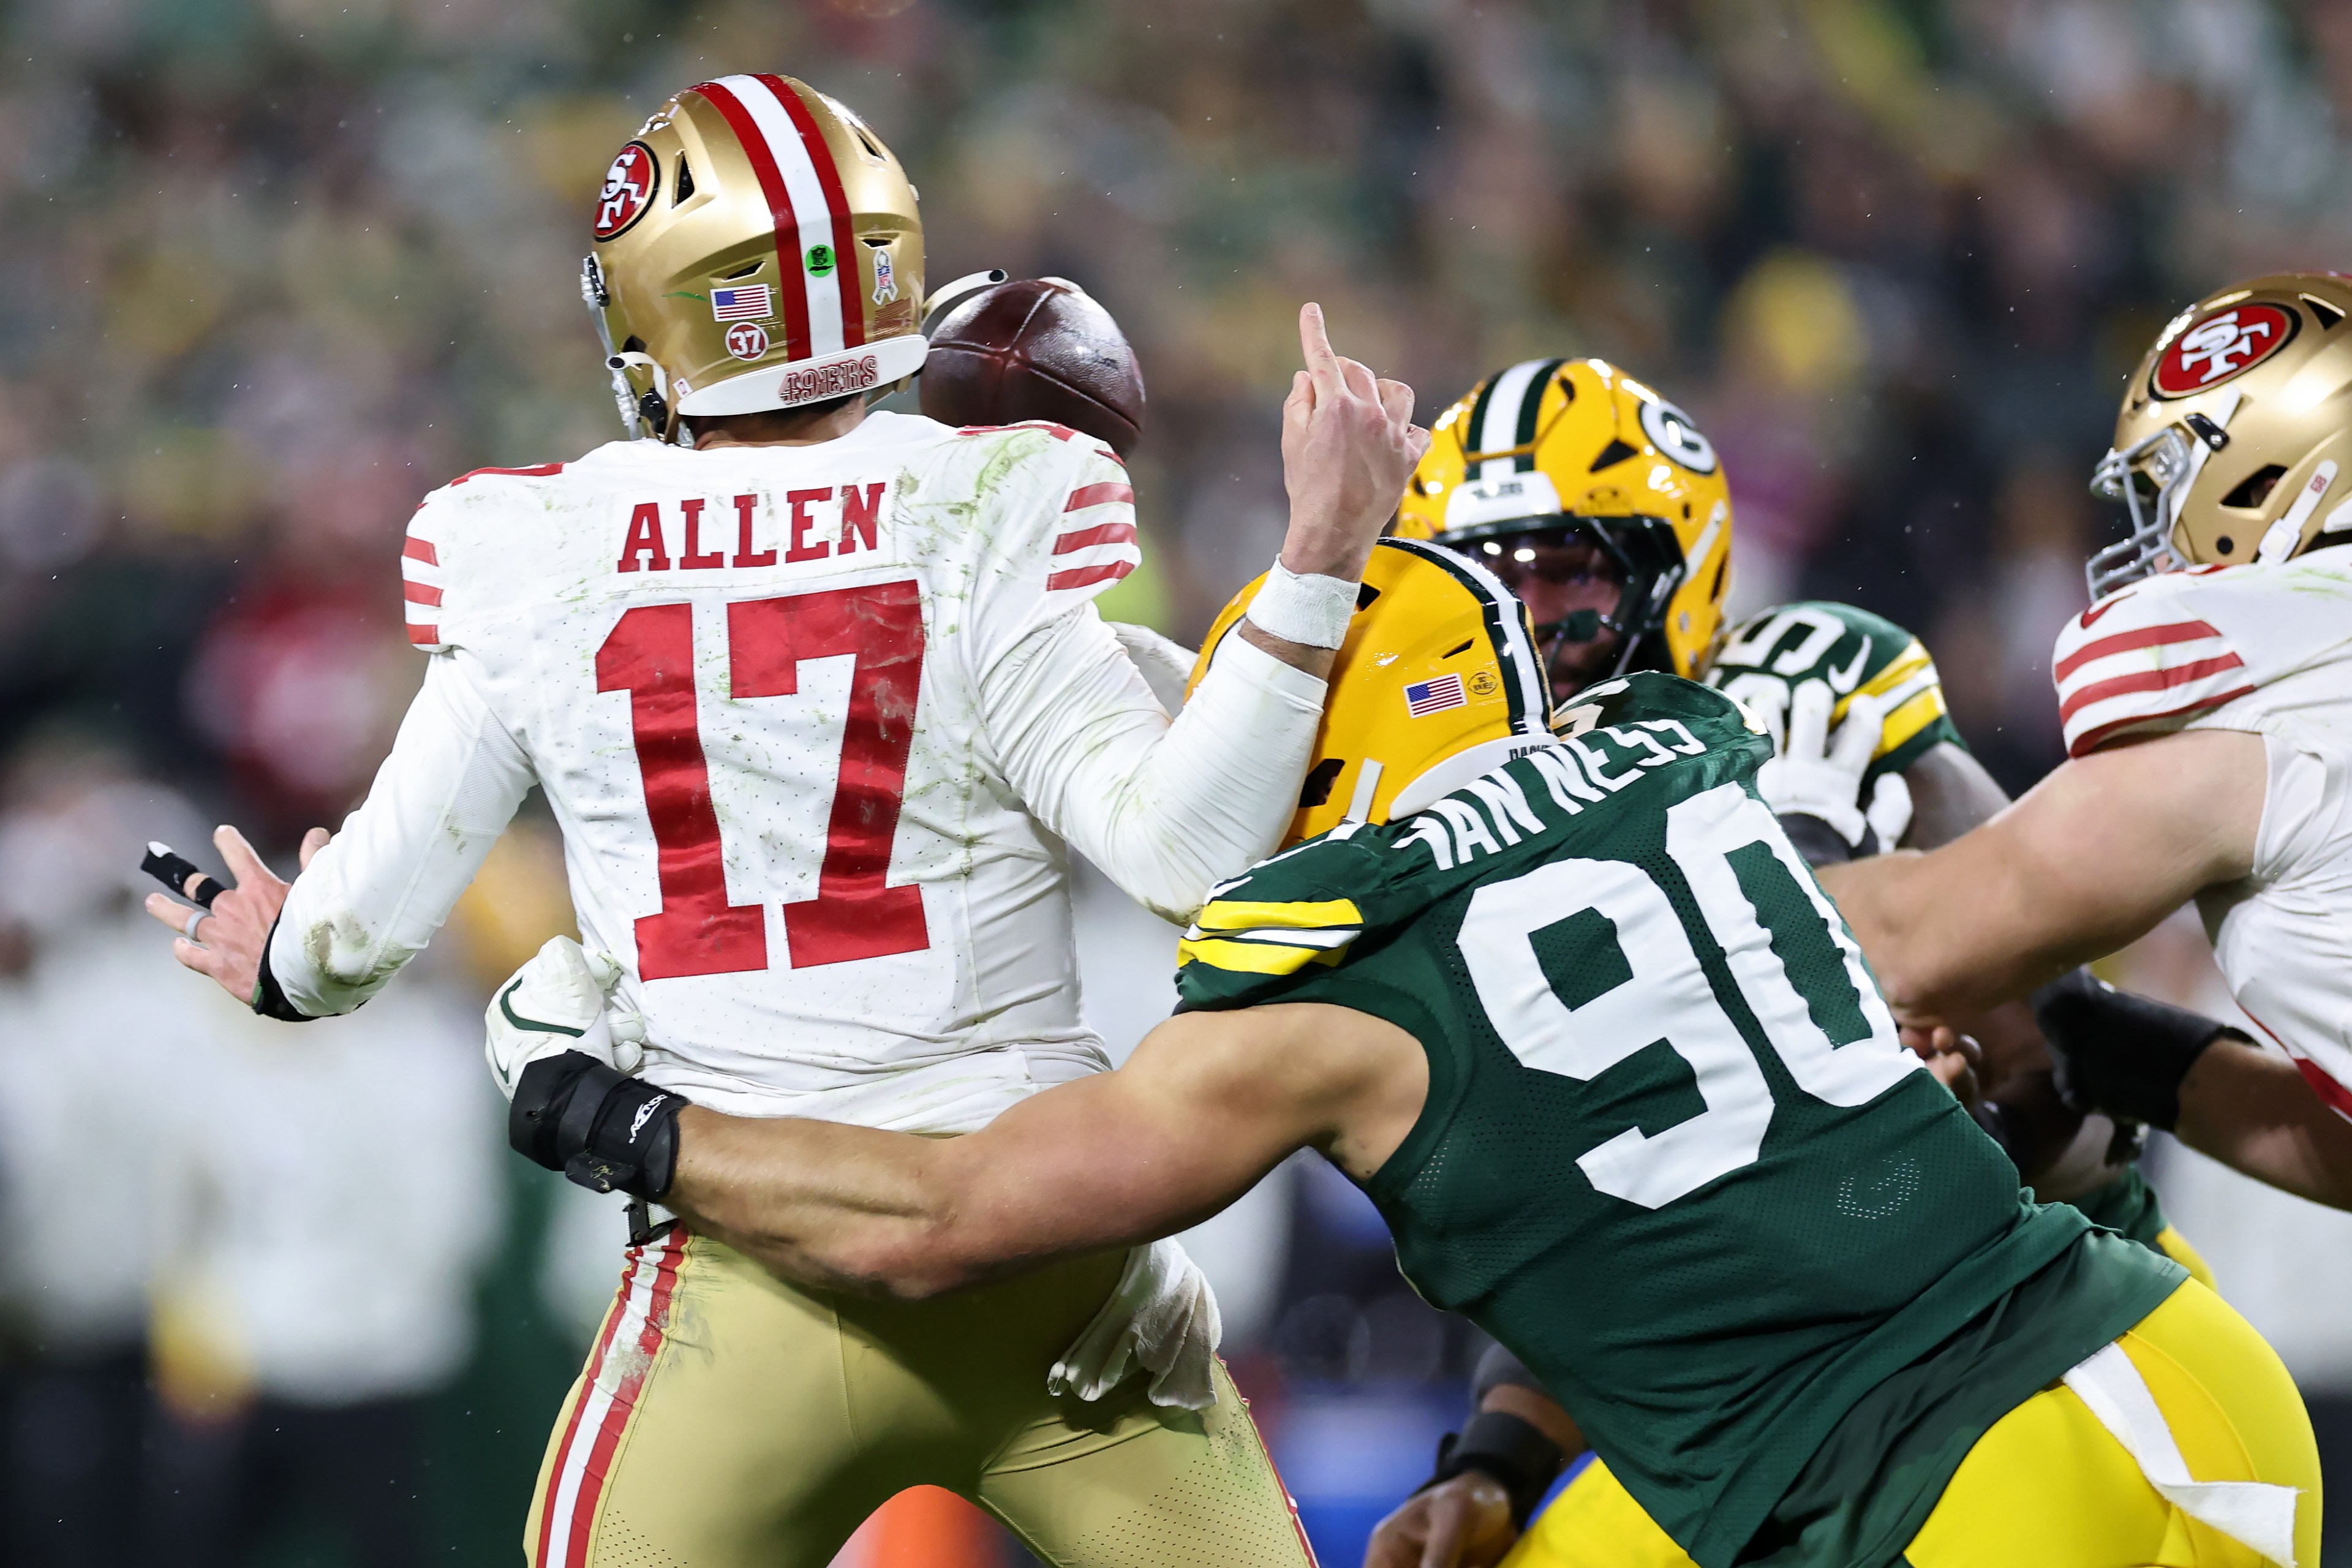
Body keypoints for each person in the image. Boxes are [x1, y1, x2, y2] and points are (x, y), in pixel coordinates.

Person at [143, 72, 1425, 1568]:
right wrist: (1322, 553)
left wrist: (281, 954)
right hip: (1051, 1259)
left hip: (736, 1268)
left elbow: (351, 936)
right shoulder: (988, 494)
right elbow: (1192, 862)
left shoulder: (532, 545)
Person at [488, 538, 2320, 1568]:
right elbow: (1948, 1026)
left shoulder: (1324, 1023)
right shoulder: (1692, 769)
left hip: (1962, 1494)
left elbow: (937, 1218)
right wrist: (1504, 1466)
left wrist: (617, 1116)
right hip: (2164, 1379)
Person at [1360, 358, 2223, 1567]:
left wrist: (1937, 1122)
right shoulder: (1494, 840)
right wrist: (1496, 1465)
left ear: (1676, 571)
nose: (1523, 626)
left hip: (2061, 1356)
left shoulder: (1789, 699)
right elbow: (1624, 1235)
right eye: (1477, 583)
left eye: (1563, 574)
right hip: (1802, 1411)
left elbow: (2074, 1065)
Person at [1809, 272, 2352, 1212]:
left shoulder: (2263, 721)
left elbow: (1907, 941)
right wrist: (2118, 1050)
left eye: (2170, 484)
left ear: (2269, 479)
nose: (2154, 540)